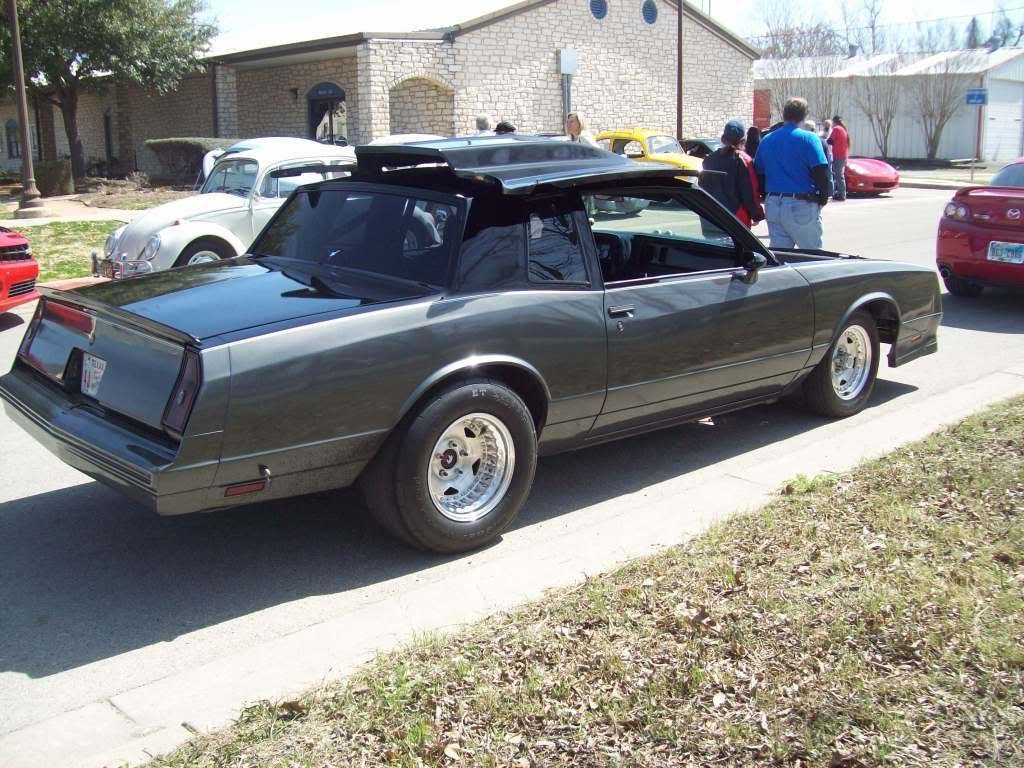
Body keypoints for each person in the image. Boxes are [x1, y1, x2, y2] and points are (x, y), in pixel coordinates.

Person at [753, 97, 832, 249]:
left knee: (781, 255)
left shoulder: (767, 140)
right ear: (804, 116)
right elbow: (821, 171)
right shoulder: (809, 139)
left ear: (784, 115)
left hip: (774, 203)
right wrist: (822, 198)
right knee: (811, 256)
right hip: (801, 203)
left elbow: (759, 173)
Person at [699, 119, 764, 228]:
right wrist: (756, 214)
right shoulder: (743, 160)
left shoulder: (709, 159)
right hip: (736, 216)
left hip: (711, 215)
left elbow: (702, 187)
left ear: (723, 138)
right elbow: (750, 191)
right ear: (743, 140)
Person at [828, 115, 850, 201]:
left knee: (838, 175)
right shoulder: (843, 129)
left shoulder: (836, 129)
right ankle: (841, 192)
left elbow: (830, 140)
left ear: (834, 121)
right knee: (839, 175)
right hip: (843, 155)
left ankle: (842, 194)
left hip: (838, 155)